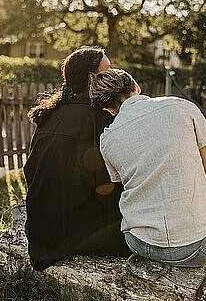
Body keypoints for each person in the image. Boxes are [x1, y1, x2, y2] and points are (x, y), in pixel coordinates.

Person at [89, 69, 206, 300]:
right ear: (136, 86)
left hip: (138, 242)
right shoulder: (181, 107)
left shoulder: (107, 139)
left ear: (107, 109)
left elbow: (126, 186)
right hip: (193, 248)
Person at [23, 47, 131, 271]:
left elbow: (30, 171)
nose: (113, 74)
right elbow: (107, 188)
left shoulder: (51, 114)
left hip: (41, 232)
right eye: (107, 69)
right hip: (73, 234)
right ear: (93, 77)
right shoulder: (98, 119)